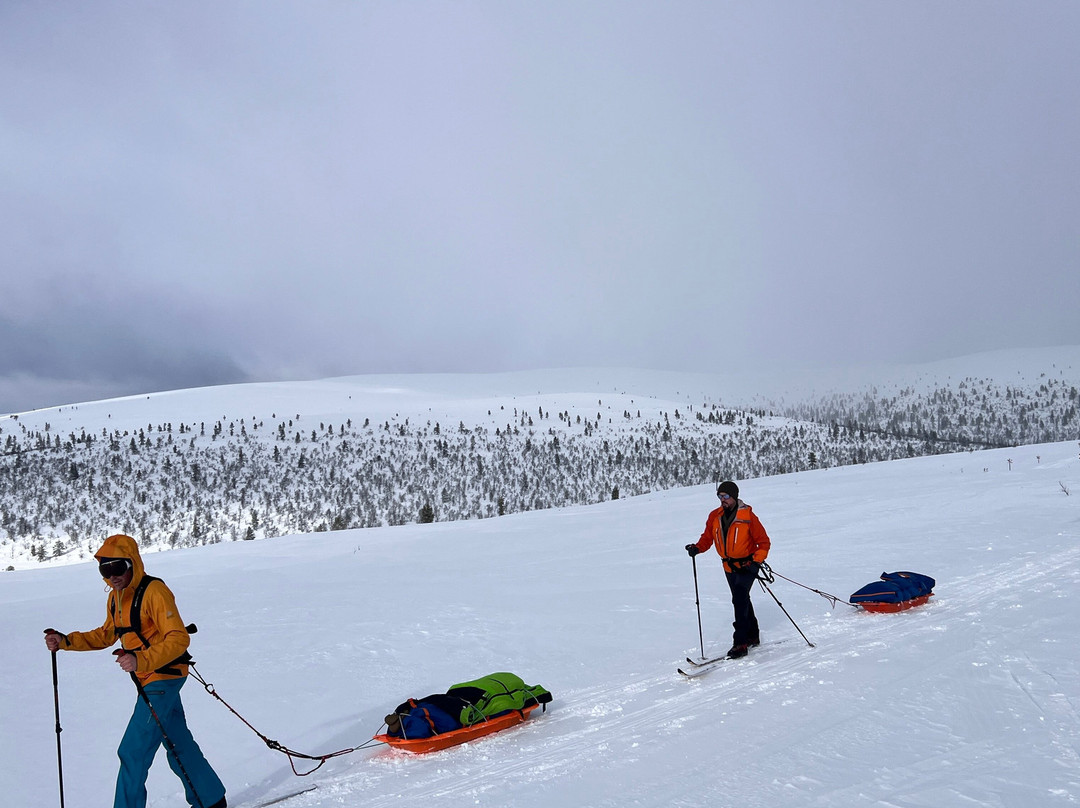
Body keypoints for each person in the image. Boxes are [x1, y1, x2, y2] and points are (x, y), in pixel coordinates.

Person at [44, 533, 226, 808]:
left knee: (132, 751)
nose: (112, 575)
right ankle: (211, 800)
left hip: (162, 677)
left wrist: (140, 660)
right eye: (105, 569)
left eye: (117, 567)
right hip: (150, 678)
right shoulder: (116, 597)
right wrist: (66, 640)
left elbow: (178, 639)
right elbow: (106, 634)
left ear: (132, 564)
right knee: (176, 741)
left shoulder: (154, 591)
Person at [685, 480, 771, 659]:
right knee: (742, 598)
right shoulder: (714, 516)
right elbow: (708, 537)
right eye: (720, 496)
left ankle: (740, 643)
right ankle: (753, 634)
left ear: (734, 497)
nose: (722, 499)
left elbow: (764, 543)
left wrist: (756, 562)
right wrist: (697, 548)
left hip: (748, 565)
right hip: (728, 566)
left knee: (739, 598)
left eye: (725, 496)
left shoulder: (748, 516)